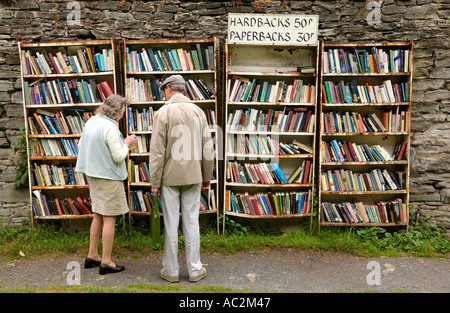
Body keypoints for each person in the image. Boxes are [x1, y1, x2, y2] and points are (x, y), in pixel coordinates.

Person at [149, 75, 214, 283]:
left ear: (169, 89)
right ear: (183, 90)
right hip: (194, 175)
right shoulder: (198, 112)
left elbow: (157, 152)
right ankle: (195, 270)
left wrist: (154, 182)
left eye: (163, 91)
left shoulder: (163, 113)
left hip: (169, 177)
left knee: (170, 223)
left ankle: (171, 270)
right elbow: (208, 149)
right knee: (192, 221)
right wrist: (206, 176)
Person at [75, 94, 138, 275]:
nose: (123, 116)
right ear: (117, 111)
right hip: (109, 178)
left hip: (93, 175)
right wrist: (127, 143)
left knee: (98, 216)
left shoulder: (92, 121)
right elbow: (118, 156)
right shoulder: (110, 127)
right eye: (123, 112)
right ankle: (107, 261)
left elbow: (83, 145)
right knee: (110, 219)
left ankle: (92, 255)